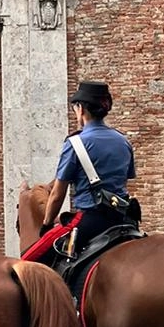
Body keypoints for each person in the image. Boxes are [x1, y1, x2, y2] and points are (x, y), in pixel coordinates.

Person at [23, 80, 136, 266]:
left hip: (91, 220)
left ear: (81, 109)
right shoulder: (123, 141)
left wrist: (46, 224)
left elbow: (58, 195)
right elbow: (124, 180)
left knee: (27, 262)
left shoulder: (76, 144)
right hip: (124, 220)